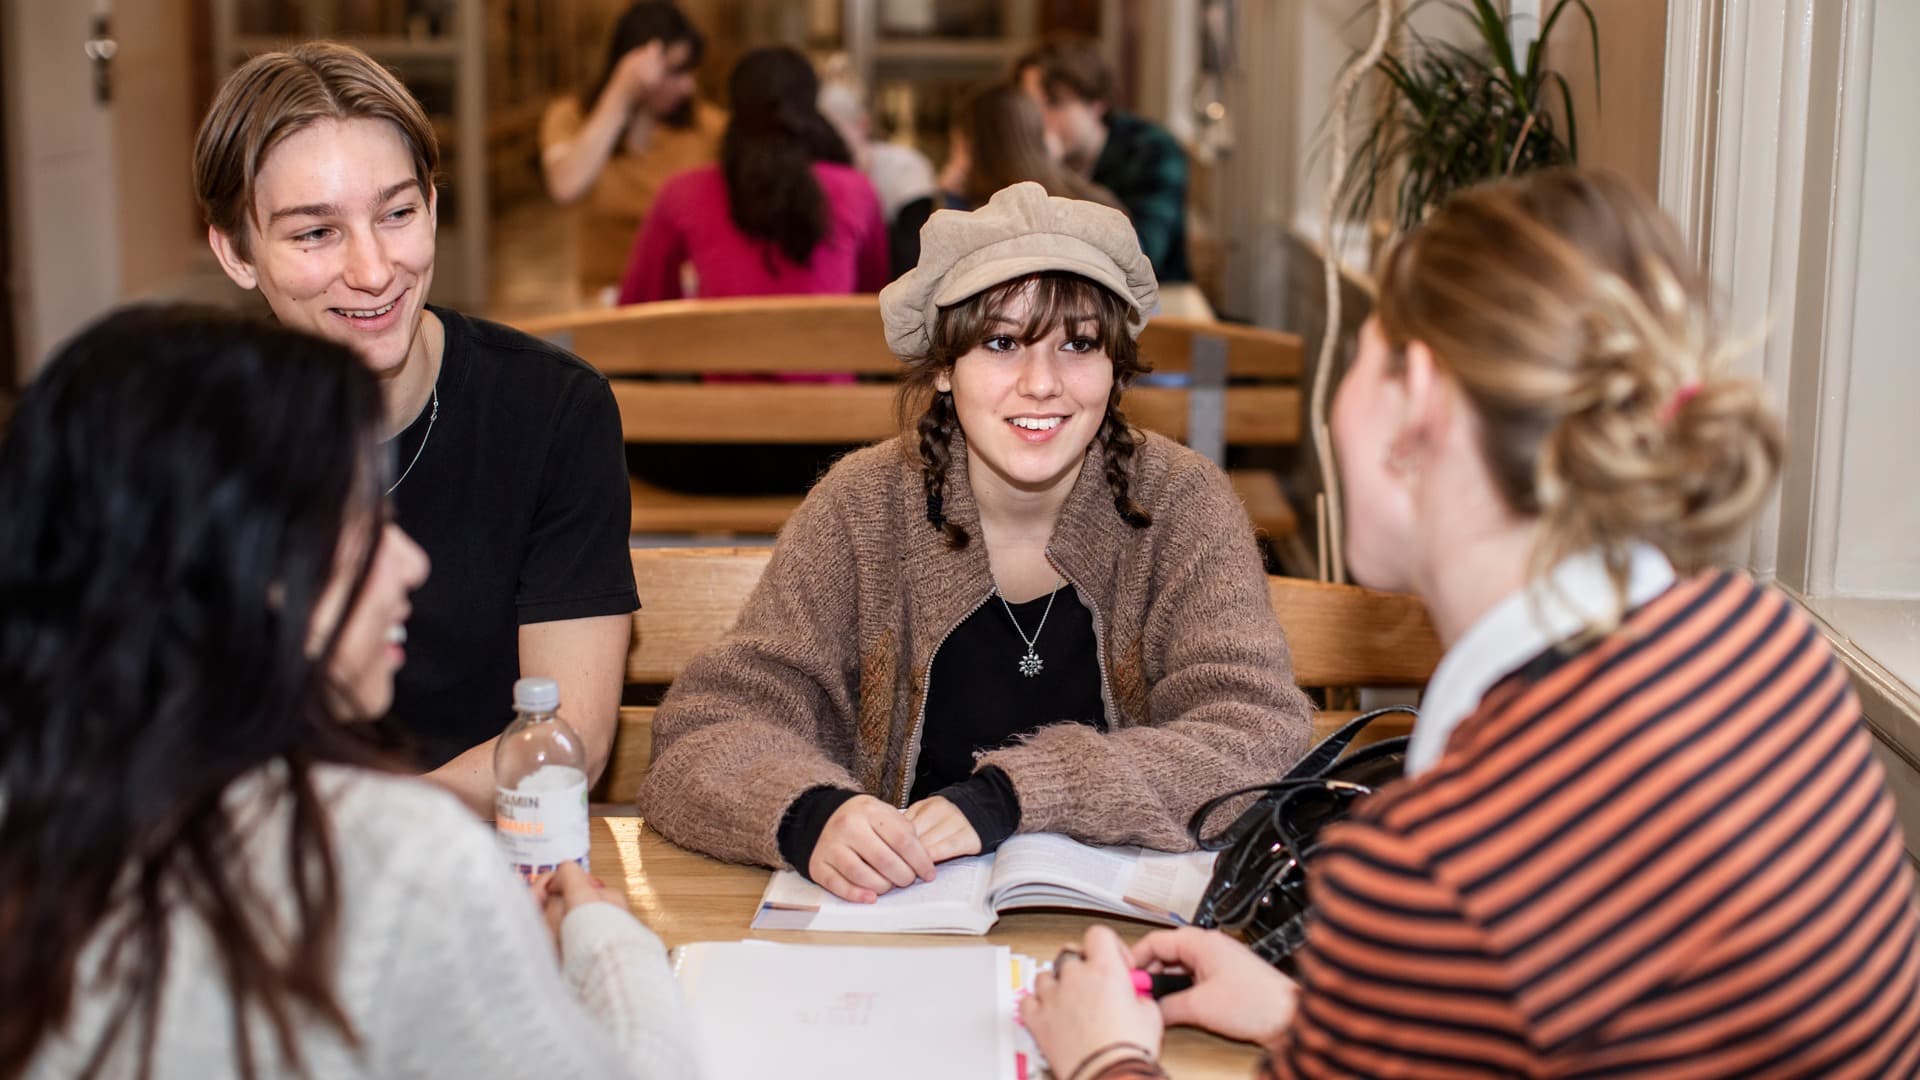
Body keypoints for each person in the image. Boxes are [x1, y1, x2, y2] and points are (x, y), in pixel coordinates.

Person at [1019, 169, 1920, 1079]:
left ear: (1418, 401)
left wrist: (1105, 1056)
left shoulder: (1433, 875)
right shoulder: (1764, 646)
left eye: (1364, 353)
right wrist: (1319, 1016)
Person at [0, 306, 696, 1079]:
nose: (411, 564)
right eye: (364, 523)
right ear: (242, 571)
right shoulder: (392, 863)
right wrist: (608, 945)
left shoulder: (47, 823)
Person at [636, 182, 1315, 904]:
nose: (1042, 383)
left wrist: (1008, 798)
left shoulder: (1181, 504)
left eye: (1078, 344)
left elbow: (1256, 737)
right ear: (941, 367)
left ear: (1116, 365)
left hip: (1115, 945)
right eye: (1001, 343)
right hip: (894, 932)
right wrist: (811, 814)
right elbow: (707, 729)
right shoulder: (862, 509)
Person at [196, 42, 638, 816]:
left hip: (475, 862)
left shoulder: (551, 412)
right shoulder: (188, 435)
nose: (373, 271)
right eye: (315, 234)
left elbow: (570, 736)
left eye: (397, 214)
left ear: (433, 207)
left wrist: (377, 842)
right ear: (236, 251)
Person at [616, 46, 888, 304]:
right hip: (829, 352)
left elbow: (638, 308)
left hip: (717, 352)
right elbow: (873, 310)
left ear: (732, 109)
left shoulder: (682, 193)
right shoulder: (857, 190)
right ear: (811, 109)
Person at [540, 1, 722, 304]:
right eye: (675, 72)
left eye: (691, 72)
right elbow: (566, 185)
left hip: (683, 297)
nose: (688, 86)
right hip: (604, 299)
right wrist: (621, 93)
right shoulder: (570, 116)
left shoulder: (709, 127)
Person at [1015, 38, 1190, 284]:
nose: (1040, 120)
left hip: (1158, 306)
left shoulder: (1152, 149)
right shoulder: (1024, 152)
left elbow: (1143, 255)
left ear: (1097, 103)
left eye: (1054, 103)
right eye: (1030, 108)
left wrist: (1049, 172)